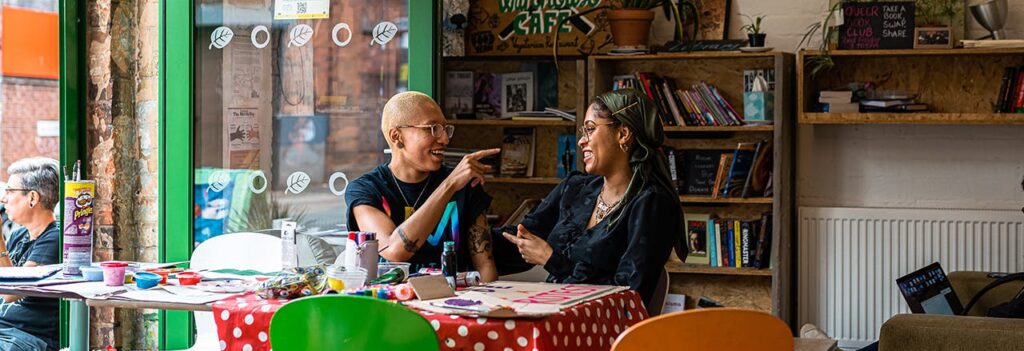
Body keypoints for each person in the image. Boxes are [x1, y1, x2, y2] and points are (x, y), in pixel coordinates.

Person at [499, 89, 683, 306]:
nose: (581, 142)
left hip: (603, 331)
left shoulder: (652, 203)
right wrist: (471, 222)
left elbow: (630, 296)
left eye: (590, 130)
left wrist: (552, 260)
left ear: (623, 134)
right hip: (554, 316)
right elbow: (521, 238)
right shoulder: (576, 188)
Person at [346, 92, 500, 282]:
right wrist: (449, 185)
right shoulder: (366, 190)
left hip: (456, 303)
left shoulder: (465, 185)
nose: (444, 139)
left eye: (445, 129)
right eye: (432, 128)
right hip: (391, 303)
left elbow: (485, 266)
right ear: (397, 136)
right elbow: (393, 251)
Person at [0, 157, 61, 351]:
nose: (3, 198)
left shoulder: (55, 237)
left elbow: (10, 292)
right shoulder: (19, 235)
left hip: (29, 338)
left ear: (33, 198)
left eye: (10, 191)